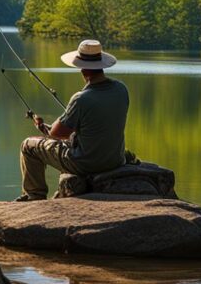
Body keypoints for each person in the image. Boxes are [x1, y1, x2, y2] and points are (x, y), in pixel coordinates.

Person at [15, 39, 129, 201]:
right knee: (71, 140)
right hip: (115, 160)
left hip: (86, 164)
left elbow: (55, 134)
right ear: (101, 65)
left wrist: (44, 126)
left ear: (81, 68)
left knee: (28, 146)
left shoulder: (81, 99)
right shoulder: (121, 89)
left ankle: (34, 196)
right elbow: (96, 128)